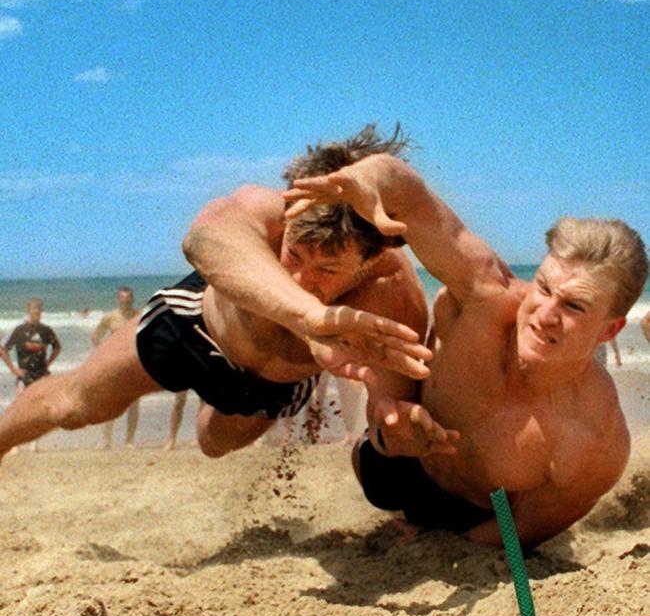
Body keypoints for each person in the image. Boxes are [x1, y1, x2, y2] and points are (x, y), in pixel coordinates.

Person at [0, 126, 435, 464]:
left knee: (212, 445)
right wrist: (313, 318)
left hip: (271, 388)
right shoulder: (268, 209)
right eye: (294, 255)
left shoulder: (392, 295)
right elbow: (204, 236)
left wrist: (390, 417)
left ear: (371, 257)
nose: (303, 278)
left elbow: (388, 402)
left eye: (326, 270)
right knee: (75, 406)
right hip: (196, 328)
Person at [284, 153, 648, 550]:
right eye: (543, 288)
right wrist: (366, 177)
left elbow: (523, 530)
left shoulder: (596, 443)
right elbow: (411, 195)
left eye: (573, 306)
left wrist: (439, 548)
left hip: (474, 510)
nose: (544, 315)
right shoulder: (485, 296)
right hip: (396, 465)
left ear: (611, 328)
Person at [0, 298, 61, 453]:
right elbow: (3, 349)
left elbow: (57, 348)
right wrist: (14, 369)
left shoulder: (46, 330)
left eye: (39, 310)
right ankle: (14, 444)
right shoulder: (20, 330)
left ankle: (34, 443)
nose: (37, 313)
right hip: (24, 374)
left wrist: (48, 362)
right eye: (34, 310)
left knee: (38, 410)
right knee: (19, 409)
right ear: (28, 310)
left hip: (41, 374)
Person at [91, 287, 141, 449]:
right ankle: (106, 441)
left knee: (133, 404)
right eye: (123, 298)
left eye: (128, 298)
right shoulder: (110, 317)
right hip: (113, 366)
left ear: (132, 299)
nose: (126, 301)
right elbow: (95, 336)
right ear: (118, 299)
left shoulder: (138, 316)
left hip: (133, 365)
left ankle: (129, 441)